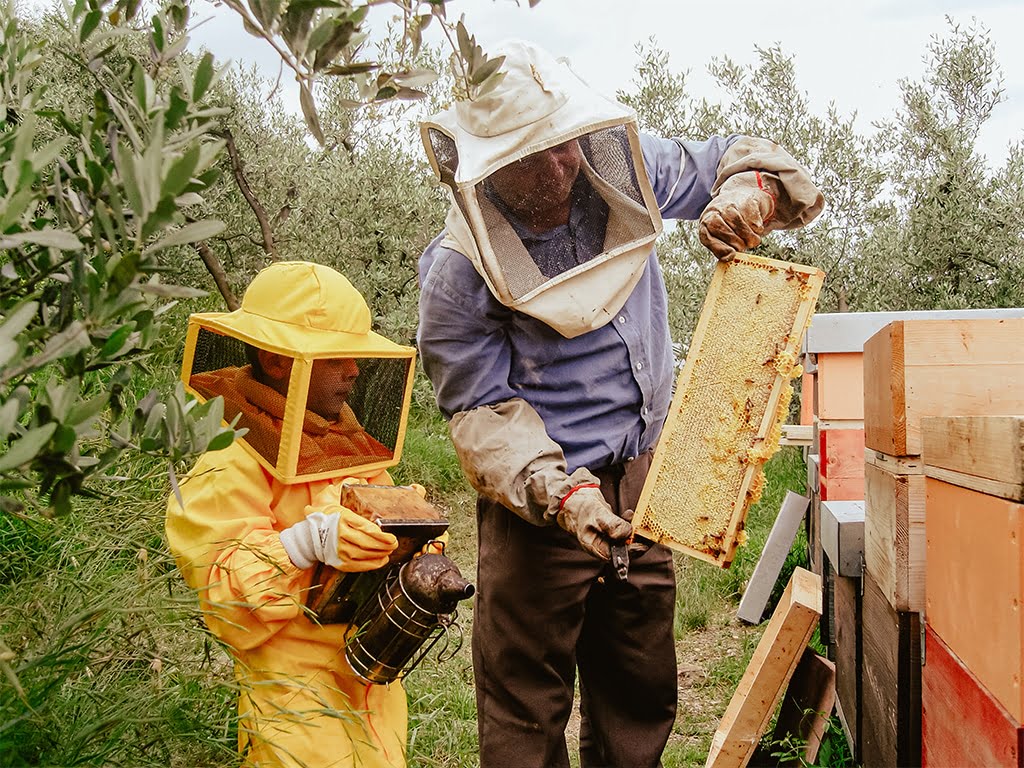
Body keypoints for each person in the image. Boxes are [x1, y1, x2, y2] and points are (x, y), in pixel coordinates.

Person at [416, 39, 824, 768]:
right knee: (525, 707)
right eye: (538, 156)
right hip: (543, 505)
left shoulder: (615, 166)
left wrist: (747, 195)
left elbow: (743, 160)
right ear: (493, 168)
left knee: (639, 686)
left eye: (567, 142)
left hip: (649, 481)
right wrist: (562, 495)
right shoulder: (458, 270)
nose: (563, 164)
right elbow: (478, 409)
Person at [166, 261, 423, 768]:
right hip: (290, 687)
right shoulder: (229, 458)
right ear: (276, 361)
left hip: (371, 673)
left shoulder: (348, 442)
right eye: (337, 357)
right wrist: (307, 544)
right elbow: (224, 598)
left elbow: (382, 520)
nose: (355, 370)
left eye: (356, 355)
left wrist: (414, 537)